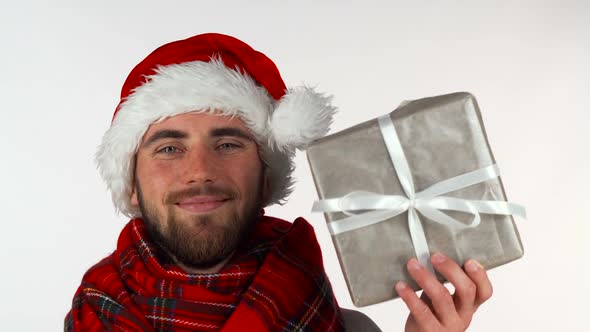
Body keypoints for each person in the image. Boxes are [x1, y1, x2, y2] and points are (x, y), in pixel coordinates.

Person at [65, 33, 493, 331]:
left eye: (229, 144)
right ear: (132, 183)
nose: (199, 170)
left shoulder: (347, 328)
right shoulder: (95, 317)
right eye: (169, 148)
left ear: (267, 173)